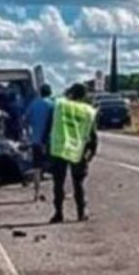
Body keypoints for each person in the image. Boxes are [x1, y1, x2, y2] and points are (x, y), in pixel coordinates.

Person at [43, 83, 98, 223]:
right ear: (84, 96)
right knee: (78, 183)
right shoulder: (87, 111)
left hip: (59, 148)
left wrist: (46, 145)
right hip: (78, 149)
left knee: (58, 183)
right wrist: (92, 151)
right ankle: (81, 213)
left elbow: (50, 125)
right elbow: (92, 134)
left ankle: (58, 214)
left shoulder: (60, 106)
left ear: (71, 93)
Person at [24, 84, 54, 201]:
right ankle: (59, 192)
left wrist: (29, 133)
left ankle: (36, 193)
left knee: (37, 168)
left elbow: (25, 120)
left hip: (36, 141)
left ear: (40, 93)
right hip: (51, 141)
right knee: (57, 168)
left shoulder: (34, 104)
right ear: (50, 92)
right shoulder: (53, 104)